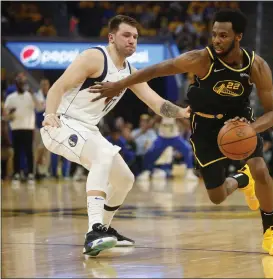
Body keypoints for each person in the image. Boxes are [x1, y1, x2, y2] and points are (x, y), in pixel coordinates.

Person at [89, 9, 273, 256]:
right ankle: (241, 179)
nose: (216, 40)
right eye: (214, 34)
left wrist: (250, 128)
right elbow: (157, 70)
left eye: (223, 35)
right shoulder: (201, 59)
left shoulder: (256, 65)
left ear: (238, 36)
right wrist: (119, 84)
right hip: (204, 127)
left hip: (239, 124)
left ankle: (271, 234)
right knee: (216, 196)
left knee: (261, 169)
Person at [40, 15, 190, 257]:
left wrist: (183, 112)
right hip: (61, 123)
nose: (132, 41)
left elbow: (156, 103)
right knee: (101, 156)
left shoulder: (130, 72)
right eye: (126, 35)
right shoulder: (94, 57)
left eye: (135, 37)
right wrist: (49, 114)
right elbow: (58, 87)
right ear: (112, 37)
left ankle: (104, 230)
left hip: (88, 129)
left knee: (125, 179)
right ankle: (94, 231)